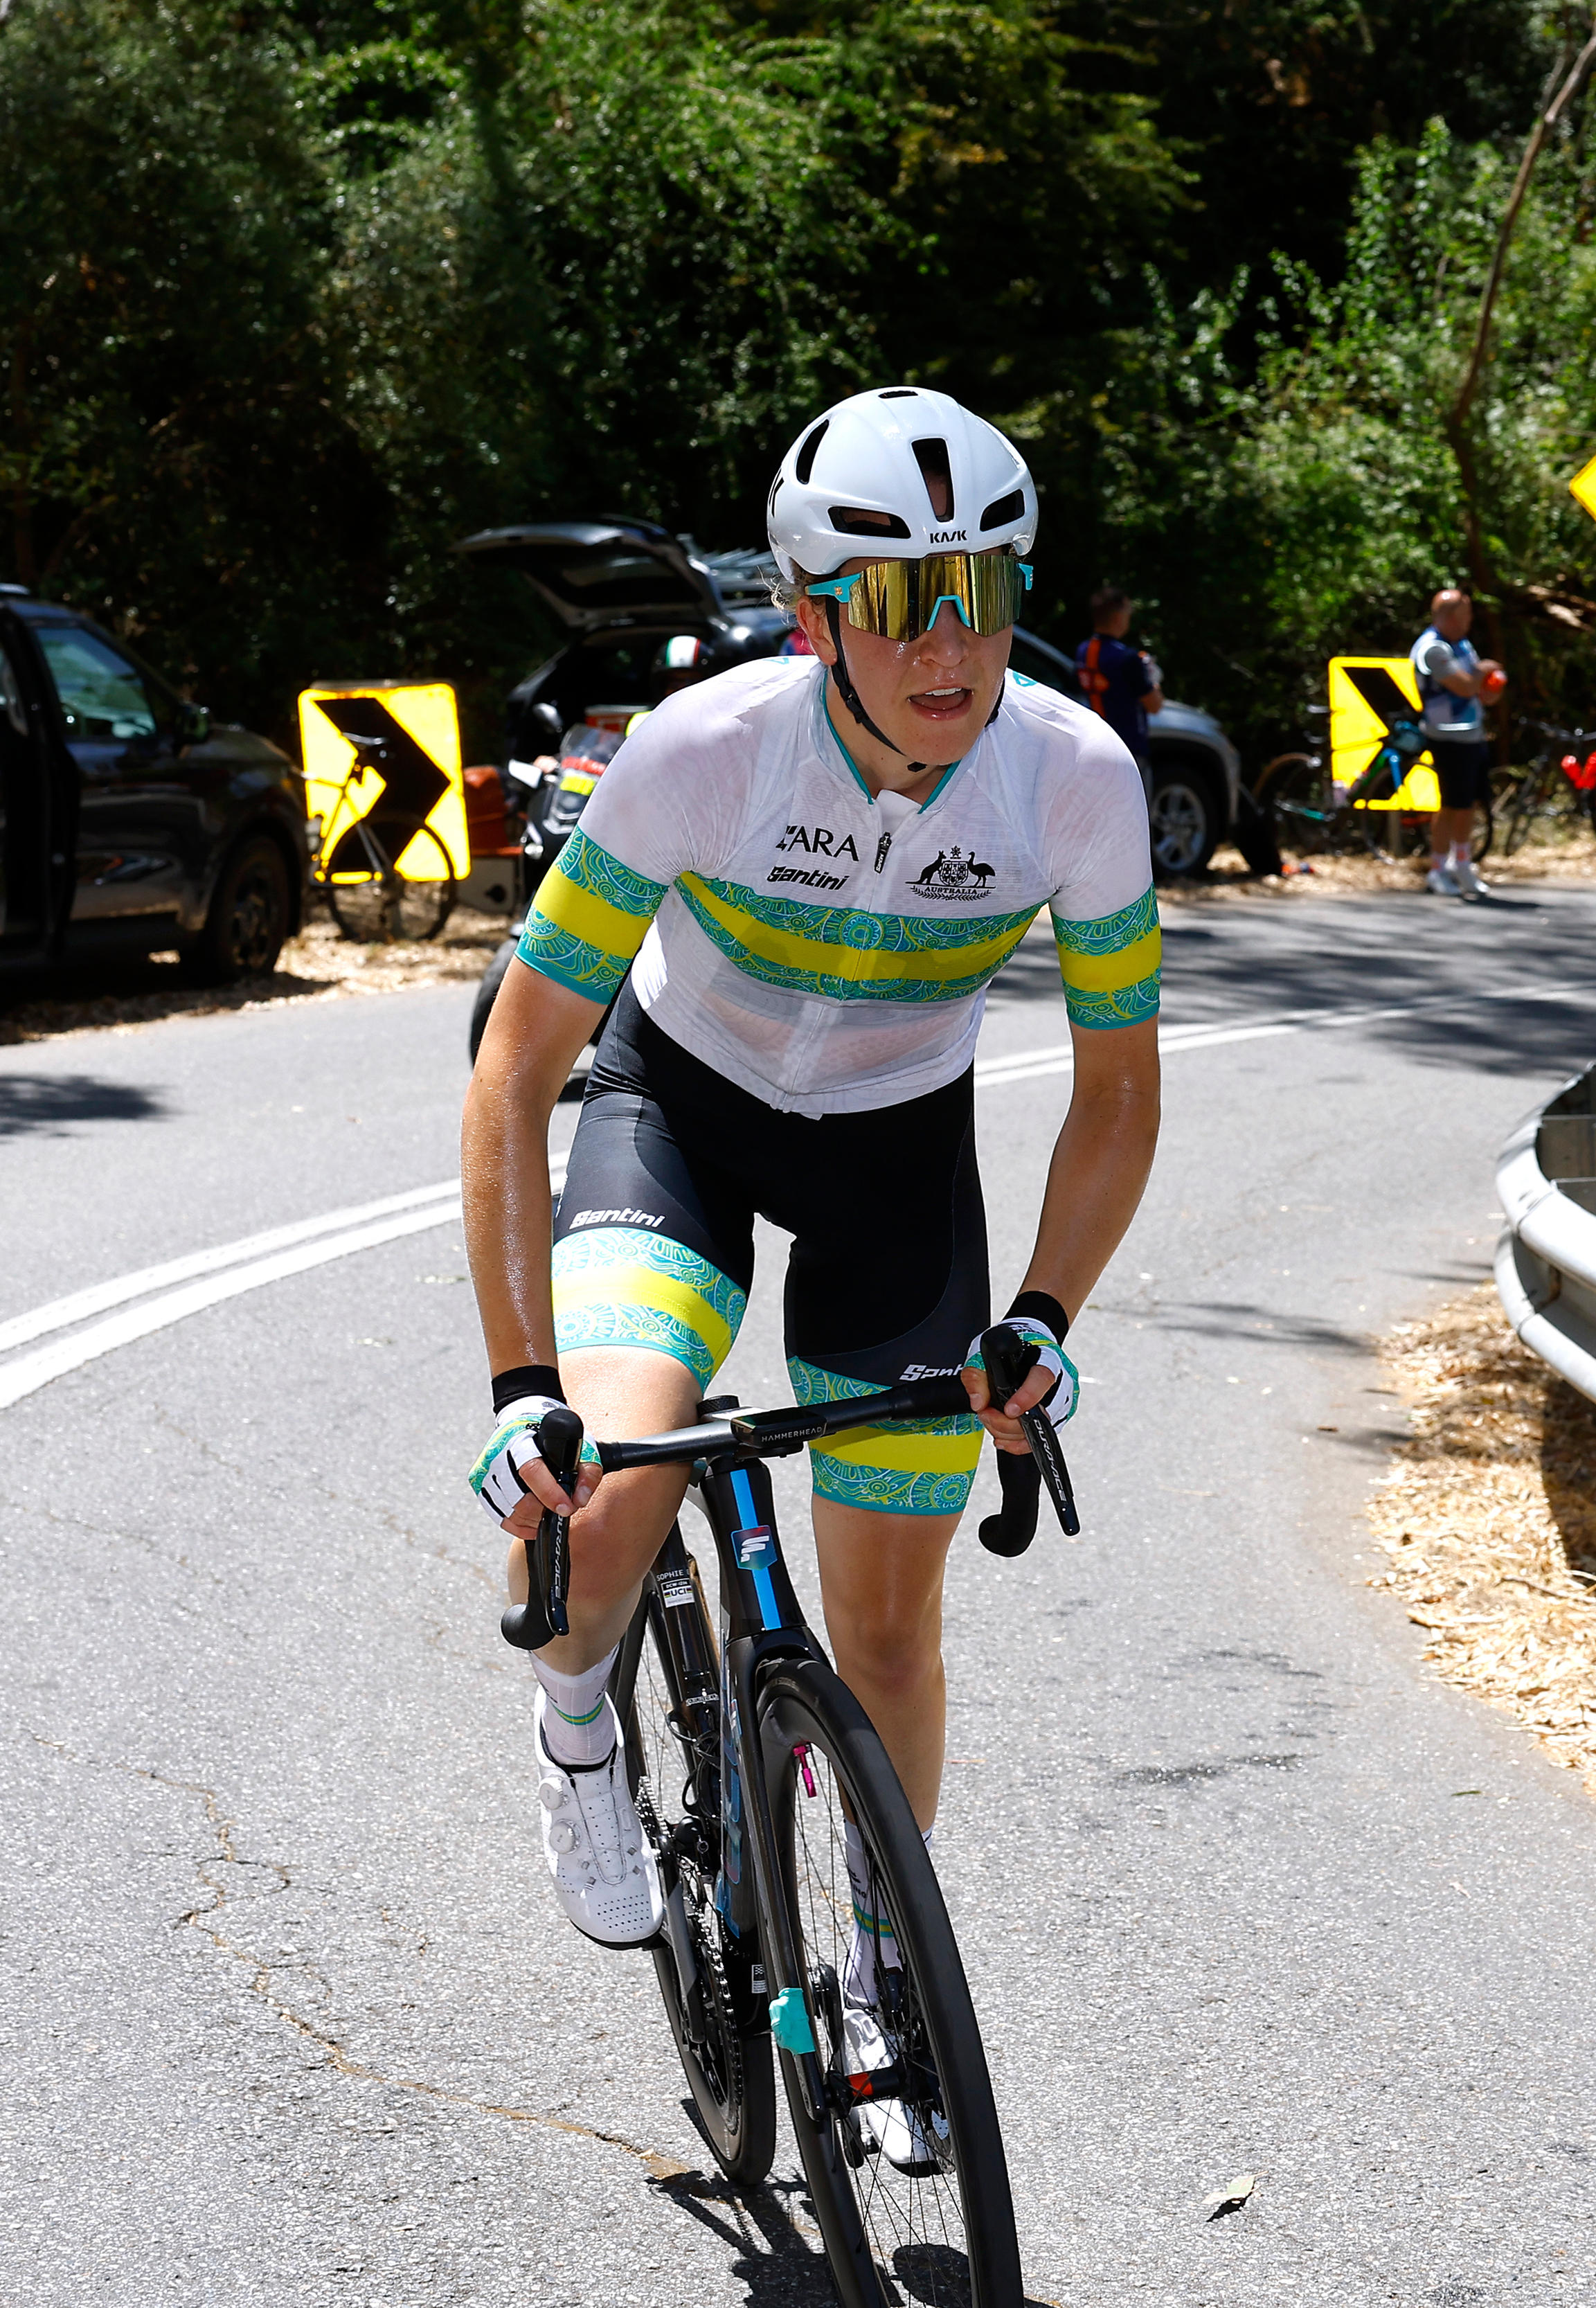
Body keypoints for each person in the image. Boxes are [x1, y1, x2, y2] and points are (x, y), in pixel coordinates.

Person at [461, 386, 1161, 2172]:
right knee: (606, 1500)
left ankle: (875, 1970)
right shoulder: (704, 749)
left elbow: (1115, 1095)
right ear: (811, 614)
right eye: (902, 601)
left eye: (983, 593)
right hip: (677, 1117)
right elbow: (515, 1071)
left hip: (893, 1162)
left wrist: (1042, 1321)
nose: (951, 646)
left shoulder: (1074, 780)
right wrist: (520, 1384)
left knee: (892, 1630)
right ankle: (575, 1728)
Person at [1410, 587, 1501, 900]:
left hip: (1472, 733)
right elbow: (1464, 686)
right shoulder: (1432, 649)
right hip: (1446, 736)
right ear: (1448, 617)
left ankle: (1462, 864)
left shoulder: (1461, 644)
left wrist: (1490, 688)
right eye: (1464, 615)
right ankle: (1438, 869)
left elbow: (1478, 688)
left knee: (1468, 803)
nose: (1469, 621)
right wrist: (1483, 672)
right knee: (1451, 804)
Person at [1072, 585, 1162, 762]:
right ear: (1117, 617)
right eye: (1128, 611)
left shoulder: (1083, 651)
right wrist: (1154, 679)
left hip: (1092, 746)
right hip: (1127, 750)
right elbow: (1154, 706)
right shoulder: (1128, 658)